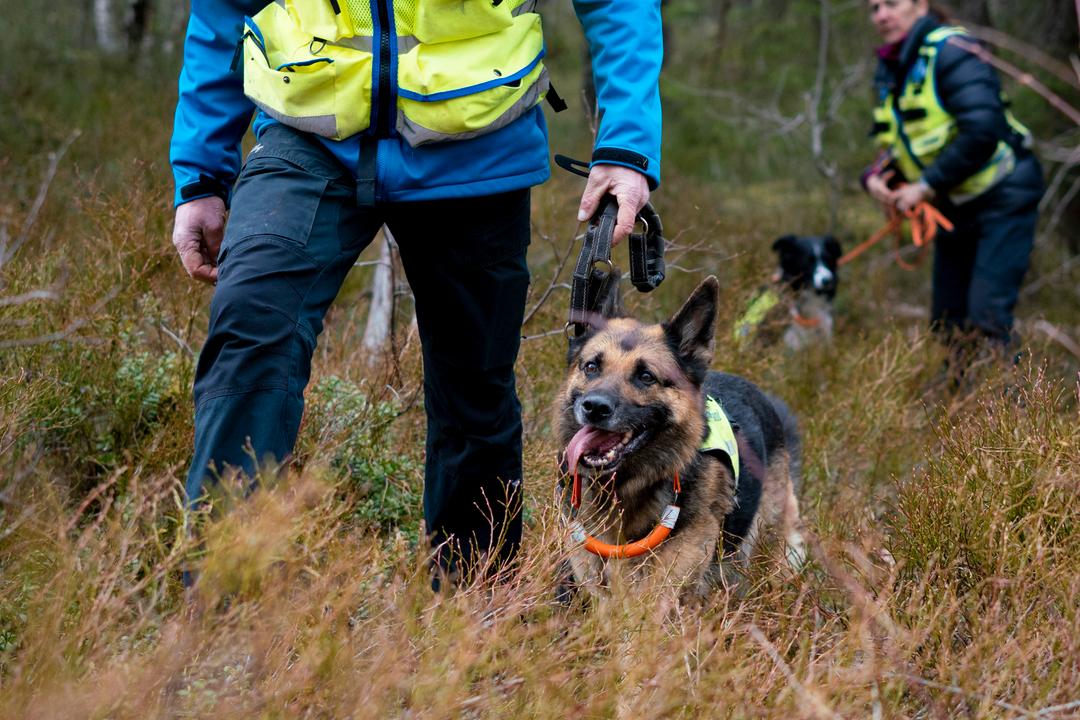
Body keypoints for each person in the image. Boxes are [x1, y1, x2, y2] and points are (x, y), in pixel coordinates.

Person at [169, 0, 663, 586]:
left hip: (479, 143)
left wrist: (626, 146)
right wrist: (201, 171)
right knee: (251, 326)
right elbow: (224, 6)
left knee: (473, 389)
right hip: (307, 135)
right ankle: (222, 604)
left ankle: (475, 606)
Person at [861, 0, 1044, 362]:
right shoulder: (892, 67)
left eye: (892, 4)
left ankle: (1011, 410)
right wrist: (874, 177)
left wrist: (925, 184)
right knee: (947, 322)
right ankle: (957, 408)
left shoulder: (953, 51)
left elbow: (982, 130)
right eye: (874, 7)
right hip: (953, 205)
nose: (881, 14)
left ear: (921, 5)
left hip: (1003, 196)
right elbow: (897, 144)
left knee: (987, 316)